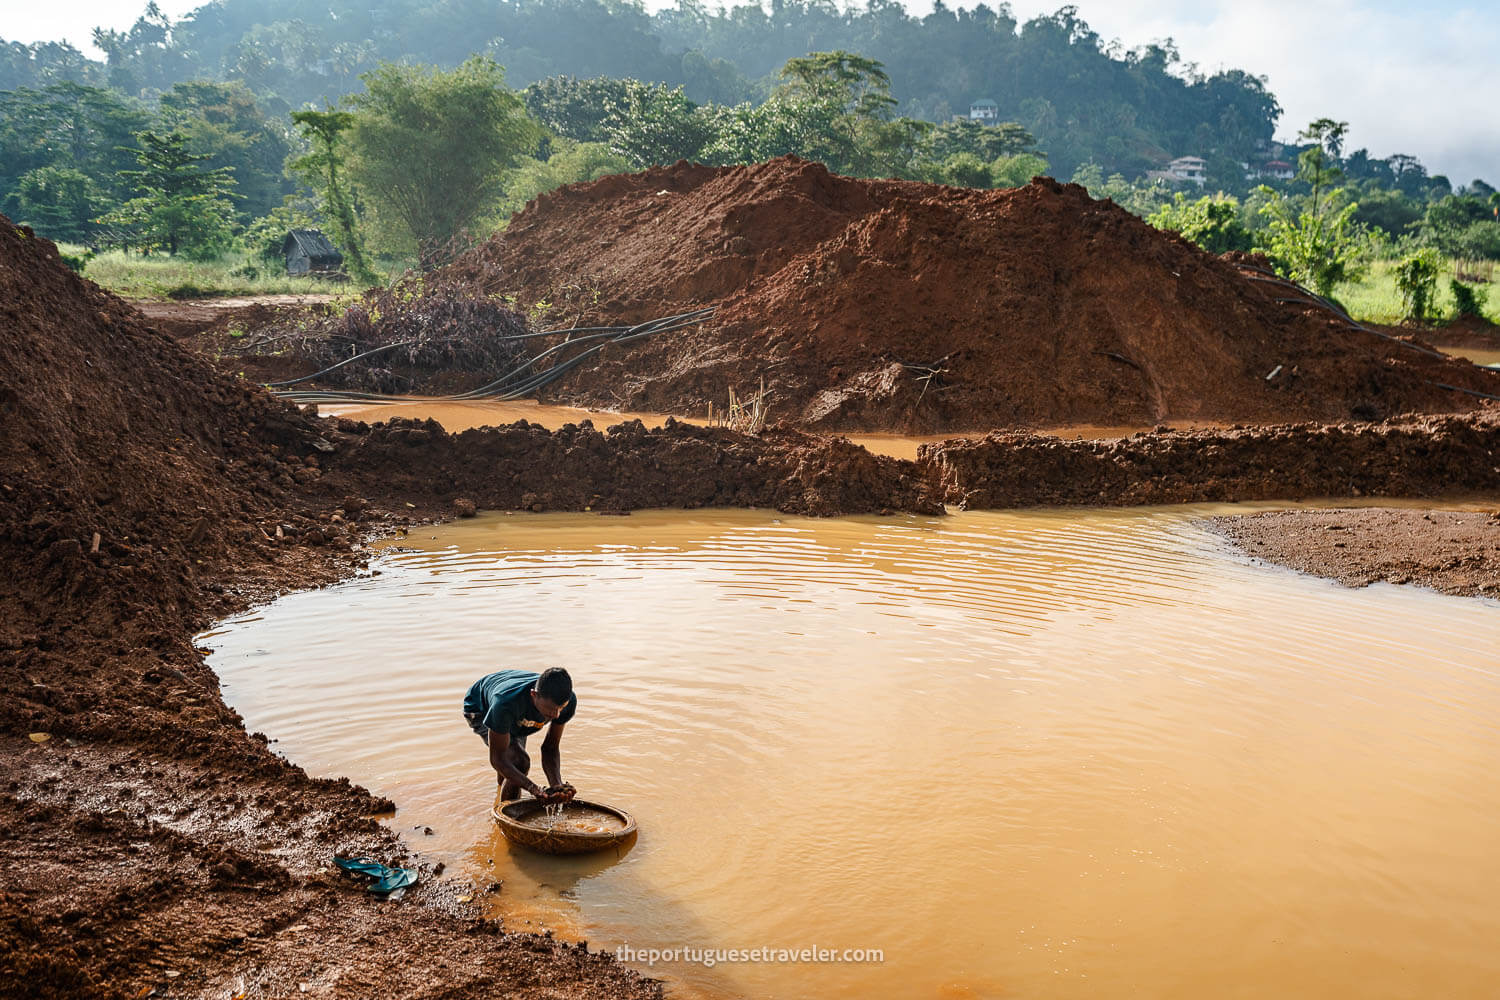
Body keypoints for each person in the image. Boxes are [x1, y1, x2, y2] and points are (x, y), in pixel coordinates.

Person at [463, 667, 577, 803]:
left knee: (512, 761)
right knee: (518, 761)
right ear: (534, 695)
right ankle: (506, 816)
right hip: (481, 706)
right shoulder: (504, 704)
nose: (556, 715)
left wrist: (557, 786)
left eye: (561, 708)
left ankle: (499, 793)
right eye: (550, 709)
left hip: (517, 710)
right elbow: (497, 759)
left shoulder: (567, 702)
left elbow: (550, 748)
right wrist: (533, 788)